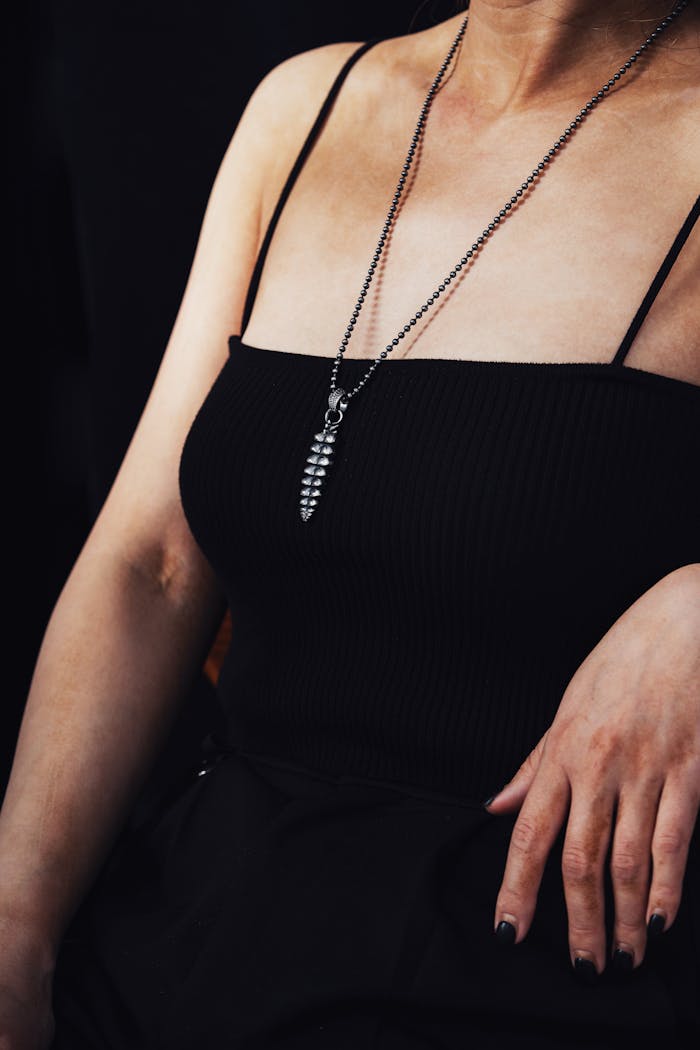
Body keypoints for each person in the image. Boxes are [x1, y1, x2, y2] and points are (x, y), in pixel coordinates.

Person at [1, 0, 699, 1046]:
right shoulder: (307, 106)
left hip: (511, 958)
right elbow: (147, 565)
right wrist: (18, 925)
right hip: (193, 921)